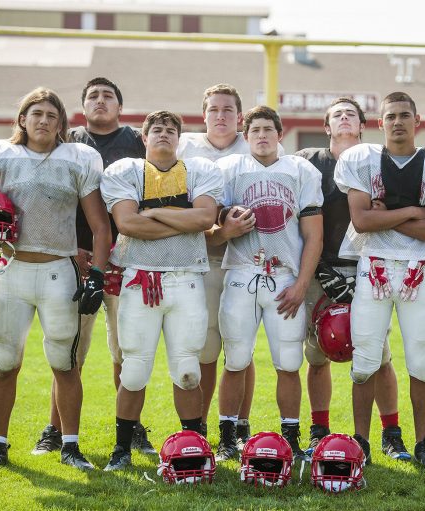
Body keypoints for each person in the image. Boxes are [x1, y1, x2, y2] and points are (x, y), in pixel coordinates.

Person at [0, 87, 109, 470]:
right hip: (11, 269)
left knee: (64, 364)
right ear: (22, 119)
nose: (44, 121)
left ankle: (70, 446)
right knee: (3, 362)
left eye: (52, 115)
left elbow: (100, 227)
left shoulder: (77, 158)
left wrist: (96, 277)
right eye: (36, 113)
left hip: (58, 270)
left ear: (61, 123)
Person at [334, 91, 425, 470]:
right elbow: (361, 221)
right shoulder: (362, 160)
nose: (397, 122)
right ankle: (361, 443)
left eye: (404, 115)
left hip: (416, 272)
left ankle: (424, 444)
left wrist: (387, 213)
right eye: (390, 116)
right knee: (365, 361)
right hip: (372, 267)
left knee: (421, 363)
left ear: (416, 119)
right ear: (380, 123)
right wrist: (413, 211)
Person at [30, 77, 156, 457]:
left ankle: (131, 429)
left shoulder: (138, 141)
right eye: (93, 96)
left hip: (127, 256)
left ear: (120, 105)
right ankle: (55, 429)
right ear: (82, 106)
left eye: (108, 96)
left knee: (127, 350)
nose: (100, 101)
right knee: (68, 353)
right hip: (75, 257)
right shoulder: (66, 141)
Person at [99, 110, 222, 471]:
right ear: (144, 136)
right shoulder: (125, 171)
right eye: (157, 129)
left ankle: (193, 445)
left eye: (171, 129)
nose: (164, 134)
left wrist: (152, 213)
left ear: (180, 138)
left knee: (188, 370)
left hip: (186, 278)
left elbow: (204, 219)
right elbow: (127, 223)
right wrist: (181, 222)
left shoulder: (200, 170)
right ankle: (122, 449)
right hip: (141, 278)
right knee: (134, 368)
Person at [297, 98, 410, 461]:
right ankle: (318, 430)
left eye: (351, 114)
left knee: (378, 355)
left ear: (363, 124)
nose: (344, 118)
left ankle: (391, 433)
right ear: (327, 126)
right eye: (337, 115)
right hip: (320, 265)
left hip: (368, 266)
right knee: (317, 355)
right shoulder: (307, 161)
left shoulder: (380, 160)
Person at [211, 106, 323, 462]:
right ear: (246, 136)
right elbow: (209, 228)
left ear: (280, 134)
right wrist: (225, 227)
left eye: (267, 129)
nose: (261, 135)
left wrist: (303, 284)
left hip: (284, 278)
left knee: (289, 362)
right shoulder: (228, 170)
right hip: (242, 272)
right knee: (236, 359)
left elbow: (313, 235)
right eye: (255, 129)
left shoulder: (301, 171)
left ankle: (291, 436)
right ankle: (228, 436)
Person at [176, 84, 283, 446]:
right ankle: (202, 427)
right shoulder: (185, 148)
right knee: (205, 347)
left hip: (246, 261)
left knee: (241, 348)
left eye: (227, 110)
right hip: (201, 258)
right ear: (203, 115)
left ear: (240, 117)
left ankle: (238, 424)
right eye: (213, 110)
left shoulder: (254, 144)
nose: (220, 116)